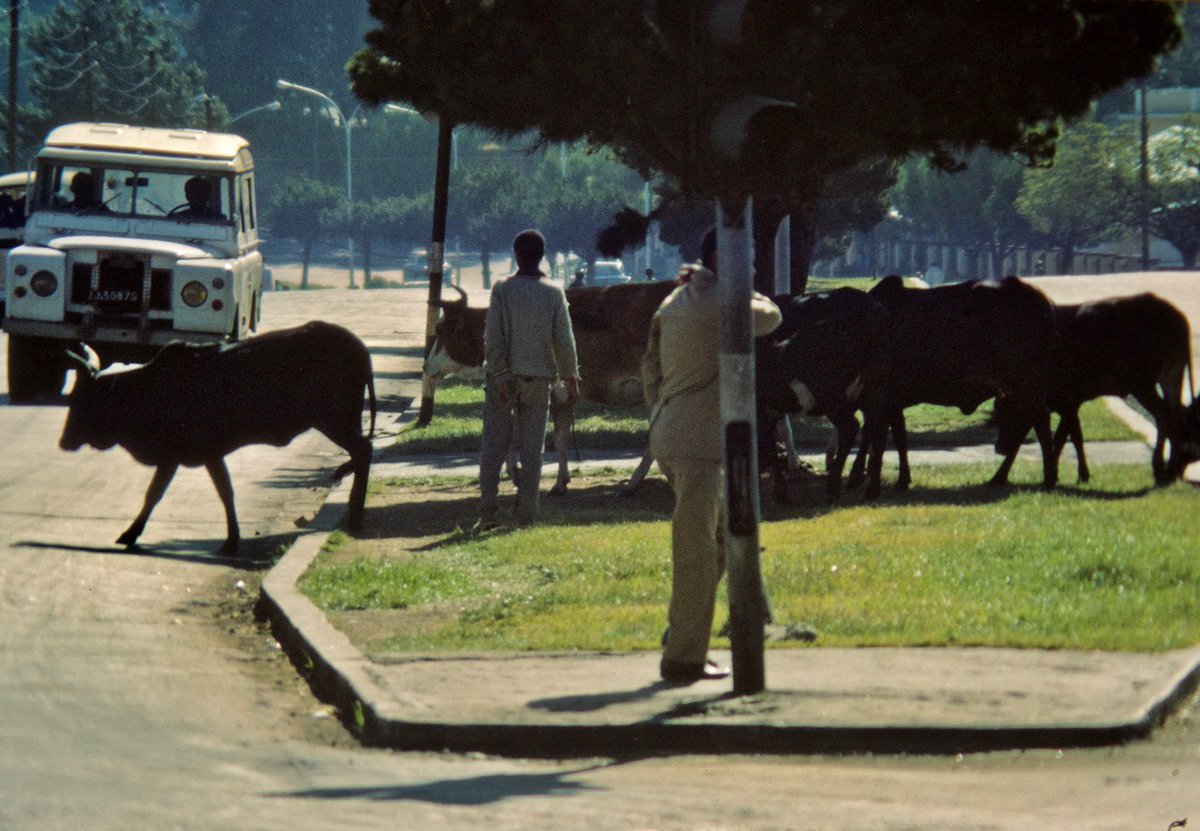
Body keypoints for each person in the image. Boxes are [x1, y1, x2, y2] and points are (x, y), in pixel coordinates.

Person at [641, 228, 782, 685]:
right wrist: (744, 289)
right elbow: (772, 317)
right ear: (723, 258)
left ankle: (684, 627)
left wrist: (663, 413)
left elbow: (649, 369)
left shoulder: (673, 301)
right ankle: (682, 658)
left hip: (672, 431)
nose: (754, 266)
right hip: (700, 442)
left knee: (724, 543)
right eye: (748, 258)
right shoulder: (724, 303)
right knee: (697, 552)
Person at [478, 229, 580, 530]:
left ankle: (488, 513)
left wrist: (501, 377)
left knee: (494, 448)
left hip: (502, 381)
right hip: (539, 380)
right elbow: (564, 340)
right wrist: (571, 377)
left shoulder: (502, 289)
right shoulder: (554, 292)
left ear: (516, 255)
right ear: (542, 255)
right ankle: (526, 516)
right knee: (533, 452)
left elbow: (493, 337)